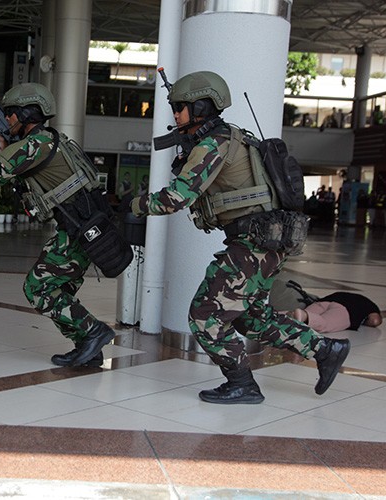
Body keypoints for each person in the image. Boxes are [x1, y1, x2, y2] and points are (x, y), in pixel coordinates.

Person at [128, 70, 350, 404]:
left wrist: (133, 203)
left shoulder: (213, 143)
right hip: (265, 241)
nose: (176, 114)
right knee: (251, 318)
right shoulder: (230, 136)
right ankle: (325, 349)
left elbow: (178, 197)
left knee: (205, 315)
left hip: (255, 242)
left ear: (202, 106)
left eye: (182, 106)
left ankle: (243, 383)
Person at [0, 83, 123, 368]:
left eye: (11, 113)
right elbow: (19, 177)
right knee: (59, 289)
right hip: (81, 227)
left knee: (38, 288)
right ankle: (88, 347)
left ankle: (93, 331)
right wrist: (3, 148)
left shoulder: (35, 144)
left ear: (27, 113)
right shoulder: (44, 141)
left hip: (78, 229)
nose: (8, 119)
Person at [289, 292, 382, 333]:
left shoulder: (347, 295)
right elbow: (375, 320)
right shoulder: (371, 306)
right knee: (324, 323)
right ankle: (305, 317)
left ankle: (278, 315)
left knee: (295, 315)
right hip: (346, 310)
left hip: (324, 301)